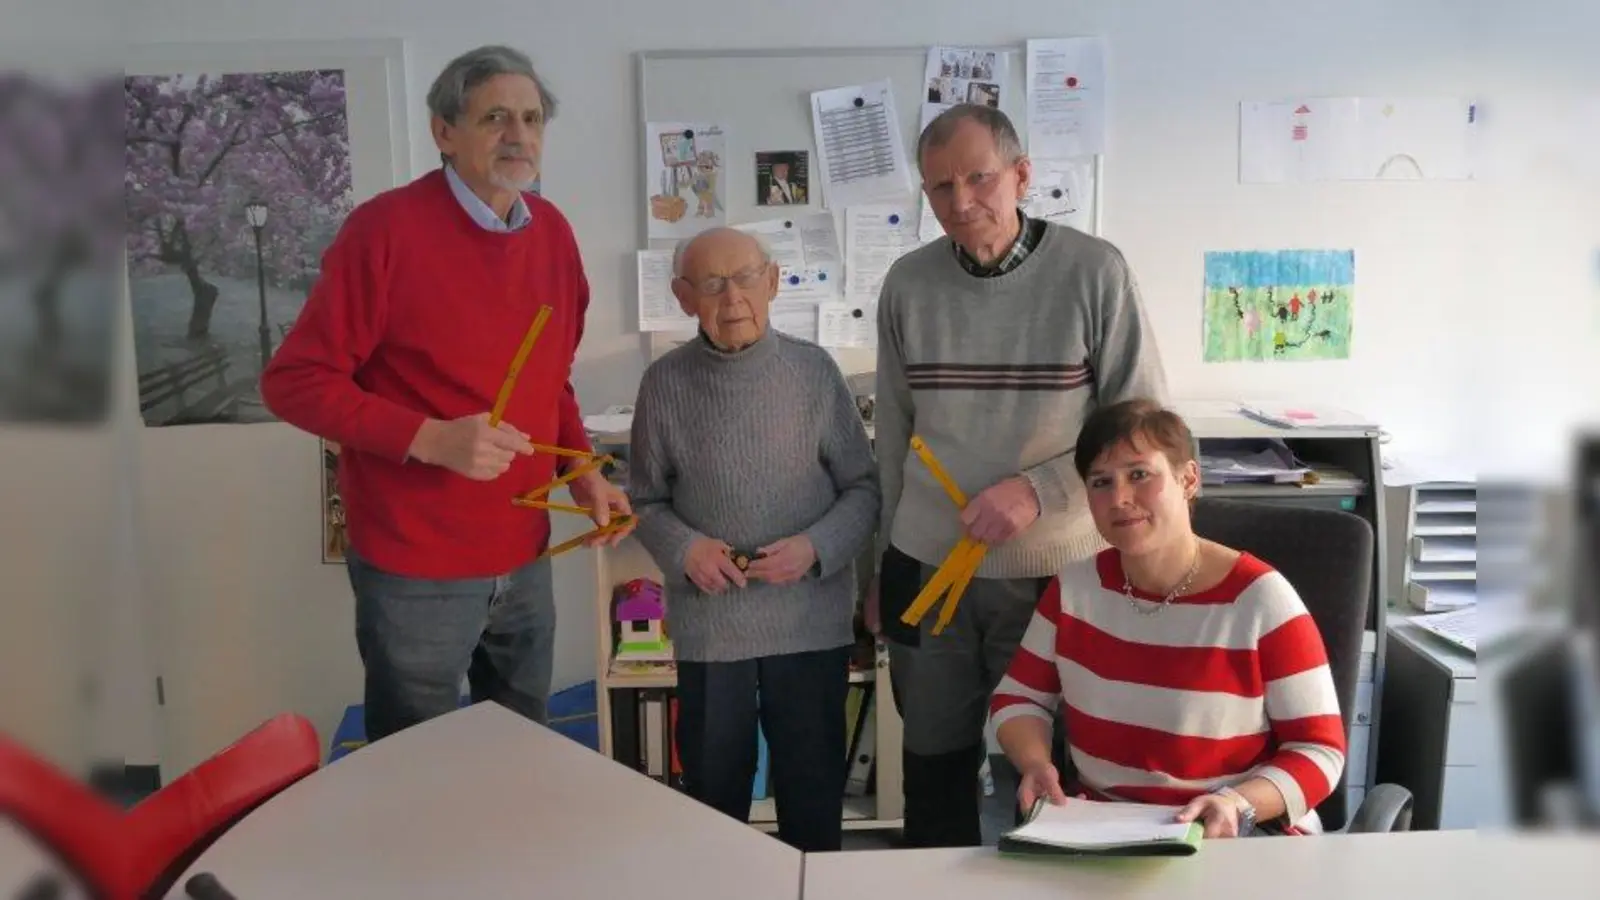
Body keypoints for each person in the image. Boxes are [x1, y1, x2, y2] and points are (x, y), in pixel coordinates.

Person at [260, 45, 632, 744]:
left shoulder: (552, 234)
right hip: (413, 566)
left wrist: (581, 472)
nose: (519, 136)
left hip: (524, 553)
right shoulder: (385, 230)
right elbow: (293, 382)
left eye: (531, 118)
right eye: (496, 118)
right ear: (444, 132)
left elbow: (550, 379)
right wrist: (430, 438)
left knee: (520, 750)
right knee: (415, 766)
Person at [869, 103, 1169, 847]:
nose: (961, 202)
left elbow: (1141, 429)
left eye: (979, 178)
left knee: (1050, 777)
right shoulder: (907, 284)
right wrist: (878, 567)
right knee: (933, 771)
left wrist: (1041, 491)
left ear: (1023, 175)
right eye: (940, 187)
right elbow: (892, 439)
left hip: (1054, 573)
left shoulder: (1094, 271)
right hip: (928, 567)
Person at [628, 226, 879, 852]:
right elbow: (644, 500)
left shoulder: (815, 372)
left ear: (772, 282)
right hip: (713, 630)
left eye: (744, 278)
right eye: (711, 284)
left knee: (812, 789)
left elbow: (864, 489)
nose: (731, 297)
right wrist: (685, 549)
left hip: (808, 622)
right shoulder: (663, 384)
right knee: (715, 794)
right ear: (684, 297)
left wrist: (816, 547)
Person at [991, 399, 1347, 837]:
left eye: (1139, 474)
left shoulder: (1260, 600)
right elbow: (1017, 700)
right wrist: (1035, 763)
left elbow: (1319, 752)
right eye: (1101, 482)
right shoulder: (1073, 590)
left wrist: (1238, 803)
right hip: (1106, 830)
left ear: (1188, 479)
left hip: (1237, 831)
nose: (1120, 498)